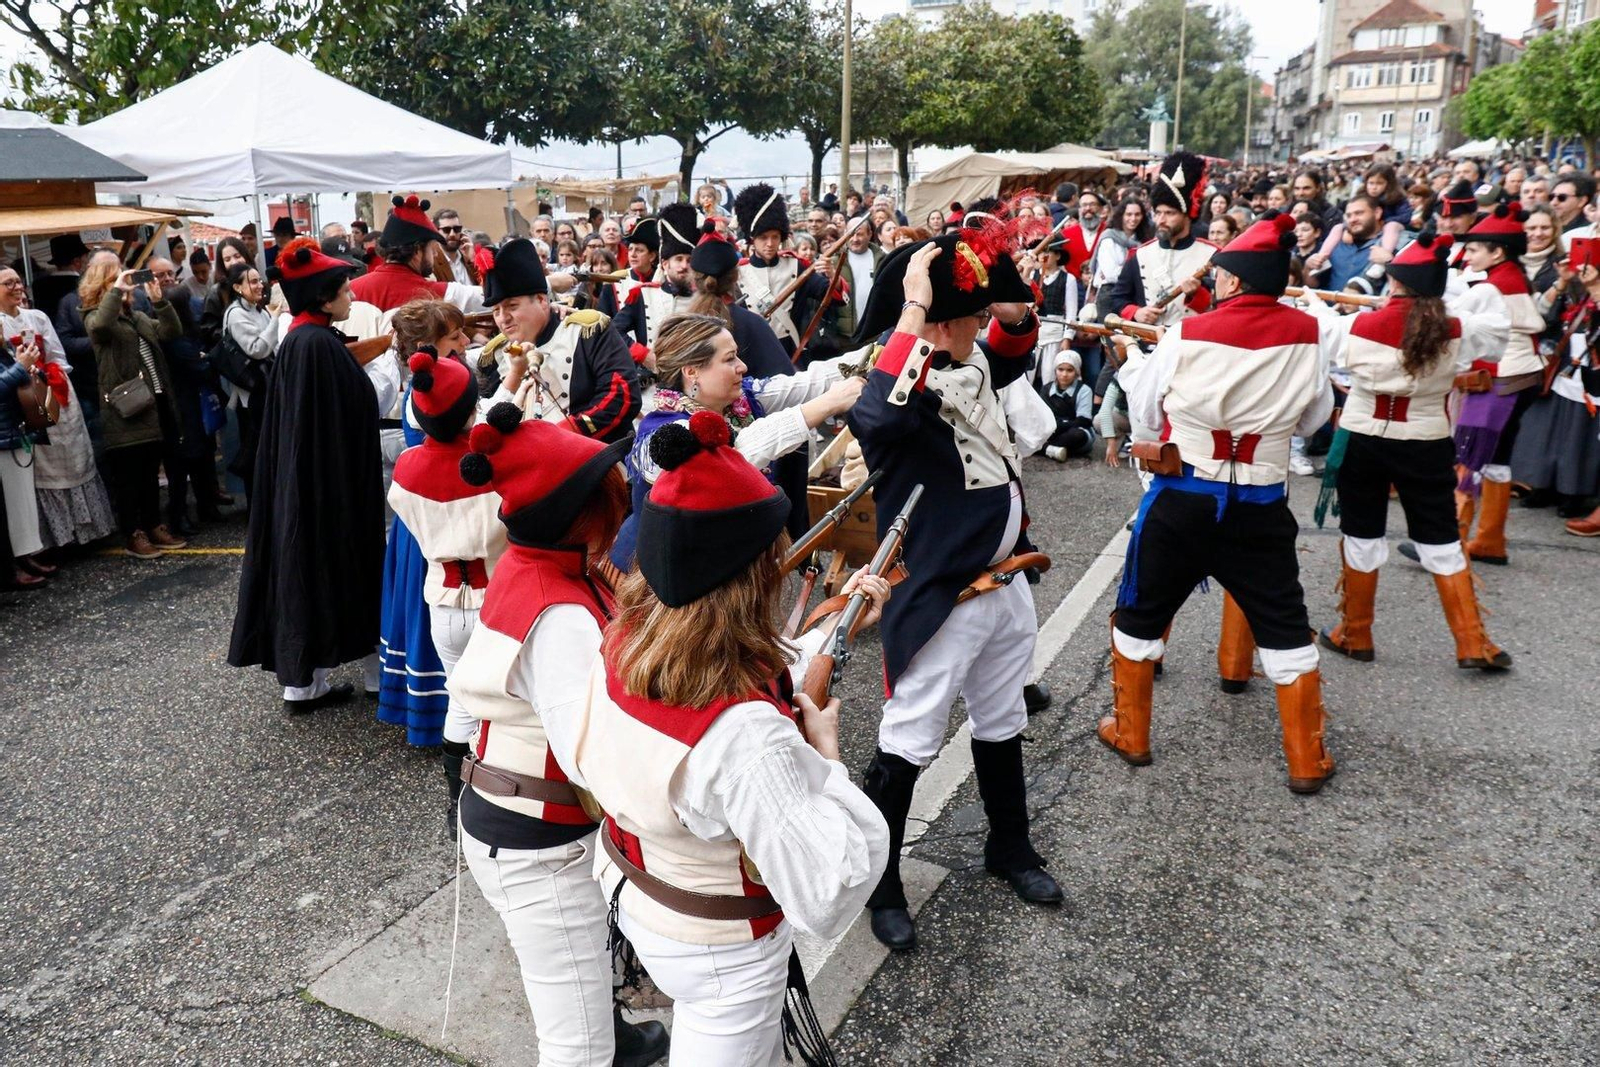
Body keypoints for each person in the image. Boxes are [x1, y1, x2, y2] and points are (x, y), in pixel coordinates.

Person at [554, 413, 889, 1065]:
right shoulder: (746, 734)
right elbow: (830, 883)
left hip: (637, 890)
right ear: (752, 574)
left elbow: (751, 674)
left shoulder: (623, 639)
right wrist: (826, 753)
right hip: (721, 949)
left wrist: (833, 621)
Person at [846, 227, 1063, 953]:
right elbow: (874, 417)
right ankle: (882, 884)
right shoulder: (896, 384)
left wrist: (998, 292)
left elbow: (1013, 341)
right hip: (942, 594)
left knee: (1002, 718)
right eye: (965, 315)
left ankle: (1010, 847)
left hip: (1006, 583)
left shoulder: (968, 361)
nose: (979, 326)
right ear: (937, 323)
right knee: (909, 739)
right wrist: (914, 311)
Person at [445, 408, 669, 1067]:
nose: (622, 492)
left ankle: (617, 1032)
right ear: (581, 509)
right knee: (576, 1049)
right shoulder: (562, 612)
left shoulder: (537, 565)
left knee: (583, 990)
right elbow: (595, 755)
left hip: (523, 816)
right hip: (538, 841)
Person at [1108, 212, 1336, 794]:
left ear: (1231, 281)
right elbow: (1315, 417)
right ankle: (1306, 760)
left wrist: (1130, 363)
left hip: (1184, 496)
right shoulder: (1311, 333)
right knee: (1285, 624)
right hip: (1261, 502)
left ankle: (1133, 735)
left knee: (1141, 612)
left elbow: (1148, 415)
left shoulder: (1188, 332)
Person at [1302, 231, 1512, 671]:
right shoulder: (1456, 327)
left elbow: (1319, 337)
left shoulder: (1357, 324)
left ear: (1394, 284)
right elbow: (1494, 332)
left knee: (1362, 532)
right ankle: (1472, 643)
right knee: (1439, 536)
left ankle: (1356, 632)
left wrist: (1314, 302)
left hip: (1363, 439)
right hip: (1426, 441)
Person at [228, 238, 384, 710]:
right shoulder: (316, 344)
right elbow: (363, 407)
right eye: (345, 290)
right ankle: (369, 678)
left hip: (304, 485)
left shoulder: (302, 338)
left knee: (302, 569)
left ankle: (303, 683)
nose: (352, 297)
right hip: (328, 490)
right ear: (322, 297)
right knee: (338, 569)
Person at [612, 312, 862, 568]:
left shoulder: (741, 400)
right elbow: (732, 458)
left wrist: (884, 348)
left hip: (721, 557)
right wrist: (826, 405)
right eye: (730, 359)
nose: (742, 366)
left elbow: (809, 382)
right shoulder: (662, 434)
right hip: (666, 572)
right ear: (692, 372)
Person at [1447, 206, 1545, 568]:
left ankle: (1451, 544)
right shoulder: (1511, 275)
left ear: (1497, 252)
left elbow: (1452, 318)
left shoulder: (1496, 284)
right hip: (1518, 377)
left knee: (1471, 456)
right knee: (1496, 461)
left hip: (1502, 378)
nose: (1467, 255)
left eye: (1474, 250)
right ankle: (1489, 540)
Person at [474, 238, 640, 442]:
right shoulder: (495, 355)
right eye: (496, 310)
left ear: (542, 301)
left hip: (594, 457)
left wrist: (563, 435)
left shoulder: (587, 332)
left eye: (512, 306)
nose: (503, 318)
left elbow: (622, 395)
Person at [0, 268, 116, 553]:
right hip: (24, 403)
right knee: (41, 473)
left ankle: (86, 531)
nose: (17, 286)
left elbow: (58, 356)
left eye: (18, 280)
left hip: (53, 394)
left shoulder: (37, 317)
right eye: (8, 283)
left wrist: (48, 379)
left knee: (76, 460)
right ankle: (54, 540)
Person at [85, 260, 187, 558]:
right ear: (104, 285)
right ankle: (133, 533)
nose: (127, 284)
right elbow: (102, 325)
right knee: (128, 475)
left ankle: (153, 525)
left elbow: (171, 331)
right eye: (117, 279)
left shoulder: (138, 316)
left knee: (149, 472)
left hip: (154, 403)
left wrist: (159, 300)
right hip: (124, 409)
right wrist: (116, 292)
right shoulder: (94, 318)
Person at [1103, 152, 1217, 327]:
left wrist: (1197, 295)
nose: (1161, 220)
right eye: (1158, 213)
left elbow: (1223, 307)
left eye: (1169, 213)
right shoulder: (1139, 254)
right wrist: (1136, 312)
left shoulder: (1212, 255)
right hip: (1147, 346)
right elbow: (1118, 298)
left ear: (1187, 215)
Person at [735, 183, 830, 357]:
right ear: (752, 239)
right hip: (752, 354)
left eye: (775, 237)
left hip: (790, 352)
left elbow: (828, 294)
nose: (770, 243)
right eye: (763, 237)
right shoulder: (738, 273)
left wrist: (831, 273)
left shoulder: (798, 266)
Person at [349, 196, 486, 314]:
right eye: (432, 248)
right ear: (417, 251)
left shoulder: (351, 290)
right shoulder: (433, 293)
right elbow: (489, 296)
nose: (435, 253)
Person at [611, 202, 698, 352]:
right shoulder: (643, 294)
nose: (684, 265)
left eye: (689, 260)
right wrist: (644, 356)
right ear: (665, 264)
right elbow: (614, 331)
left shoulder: (705, 297)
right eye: (678, 259)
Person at [0, 335, 50, 584]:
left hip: (14, 431)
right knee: (9, 507)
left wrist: (29, 367)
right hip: (3, 437)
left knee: (21, 504)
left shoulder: (4, 350)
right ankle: (10, 569)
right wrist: (20, 367)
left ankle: (23, 556)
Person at [816, 216, 880, 352]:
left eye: (860, 234)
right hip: (844, 337)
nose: (855, 239)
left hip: (875, 334)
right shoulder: (832, 262)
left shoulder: (882, 260)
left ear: (870, 234)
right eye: (851, 234)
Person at [1091, 197, 1152, 299]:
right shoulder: (1109, 238)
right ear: (1121, 215)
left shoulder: (1143, 241)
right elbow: (1110, 274)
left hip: (1136, 294)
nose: (1133, 219)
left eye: (1137, 214)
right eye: (1129, 214)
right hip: (1110, 294)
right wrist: (1137, 273)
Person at [1040, 350, 1095, 461]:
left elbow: (1083, 421)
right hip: (1052, 430)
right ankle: (1051, 449)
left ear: (1077, 372)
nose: (1064, 374)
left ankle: (1043, 448)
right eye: (1061, 369)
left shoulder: (1084, 390)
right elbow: (1042, 416)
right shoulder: (1046, 389)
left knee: (1077, 435)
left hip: (1074, 430)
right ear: (1055, 370)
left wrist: (1060, 425)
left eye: (1069, 370)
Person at [35, 234, 91, 324]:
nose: (88, 262)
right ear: (77, 261)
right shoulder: (85, 284)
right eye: (86, 257)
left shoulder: (39, 285)